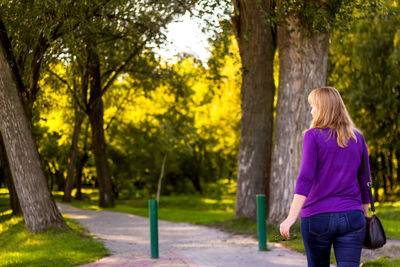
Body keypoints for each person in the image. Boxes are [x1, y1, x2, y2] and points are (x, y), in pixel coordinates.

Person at [279, 87, 370, 267]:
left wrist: (291, 218)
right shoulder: (358, 137)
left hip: (317, 218)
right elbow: (365, 180)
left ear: (324, 108)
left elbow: (305, 178)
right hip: (352, 217)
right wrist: (364, 215)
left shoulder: (312, 136)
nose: (311, 111)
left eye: (314, 106)